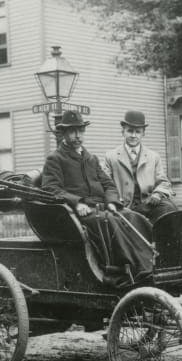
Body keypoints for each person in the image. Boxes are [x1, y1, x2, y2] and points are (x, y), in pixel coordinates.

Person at [41, 110, 154, 286]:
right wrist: (76, 203)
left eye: (80, 130)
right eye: (72, 131)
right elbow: (51, 188)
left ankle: (151, 265)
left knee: (133, 216)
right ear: (64, 133)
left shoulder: (91, 159)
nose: (77, 136)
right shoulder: (55, 159)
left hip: (102, 206)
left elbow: (108, 184)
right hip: (78, 212)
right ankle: (127, 271)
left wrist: (111, 202)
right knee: (109, 222)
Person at [102, 110, 177, 223]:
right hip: (124, 207)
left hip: (148, 204)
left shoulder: (153, 157)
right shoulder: (111, 157)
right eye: (130, 131)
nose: (133, 135)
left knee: (169, 207)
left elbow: (164, 182)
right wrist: (115, 201)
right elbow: (105, 184)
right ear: (123, 131)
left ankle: (165, 239)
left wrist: (157, 193)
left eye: (137, 132)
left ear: (143, 133)